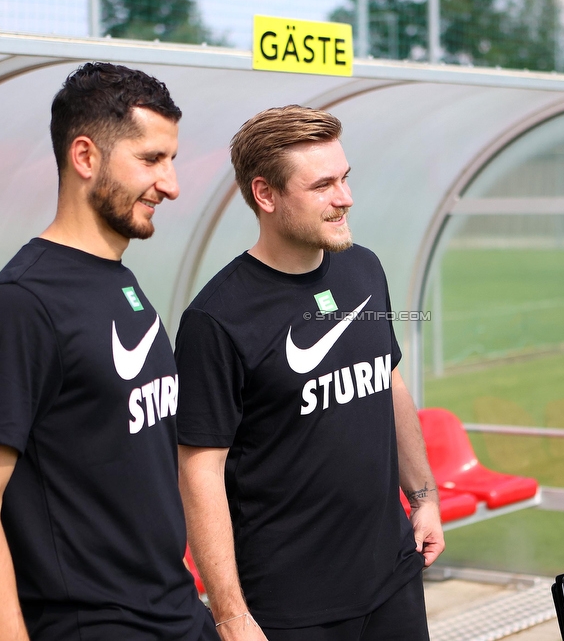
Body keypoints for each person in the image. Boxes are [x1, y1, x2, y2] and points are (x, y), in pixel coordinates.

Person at [0, 62, 217, 640]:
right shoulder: (20, 306)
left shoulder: (120, 283)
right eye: (151, 160)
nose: (171, 184)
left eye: (171, 160)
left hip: (177, 615)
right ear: (86, 157)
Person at [174, 105, 444, 640]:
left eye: (344, 178)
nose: (344, 197)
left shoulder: (363, 267)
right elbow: (199, 470)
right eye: (322, 185)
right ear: (266, 195)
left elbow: (386, 381)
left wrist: (424, 497)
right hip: (293, 608)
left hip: (393, 578)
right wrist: (229, 613)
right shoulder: (216, 319)